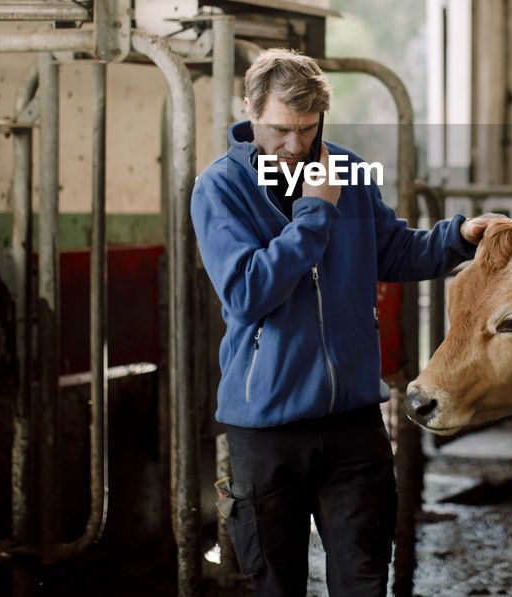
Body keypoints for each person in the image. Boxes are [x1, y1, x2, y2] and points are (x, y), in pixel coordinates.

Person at [190, 48, 496, 596]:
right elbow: (245, 293)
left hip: (352, 419)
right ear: (251, 112)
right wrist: (314, 214)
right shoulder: (220, 188)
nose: (295, 146)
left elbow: (395, 251)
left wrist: (459, 237)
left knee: (363, 581)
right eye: (282, 129)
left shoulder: (347, 172)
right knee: (276, 586)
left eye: (308, 129)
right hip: (266, 428)